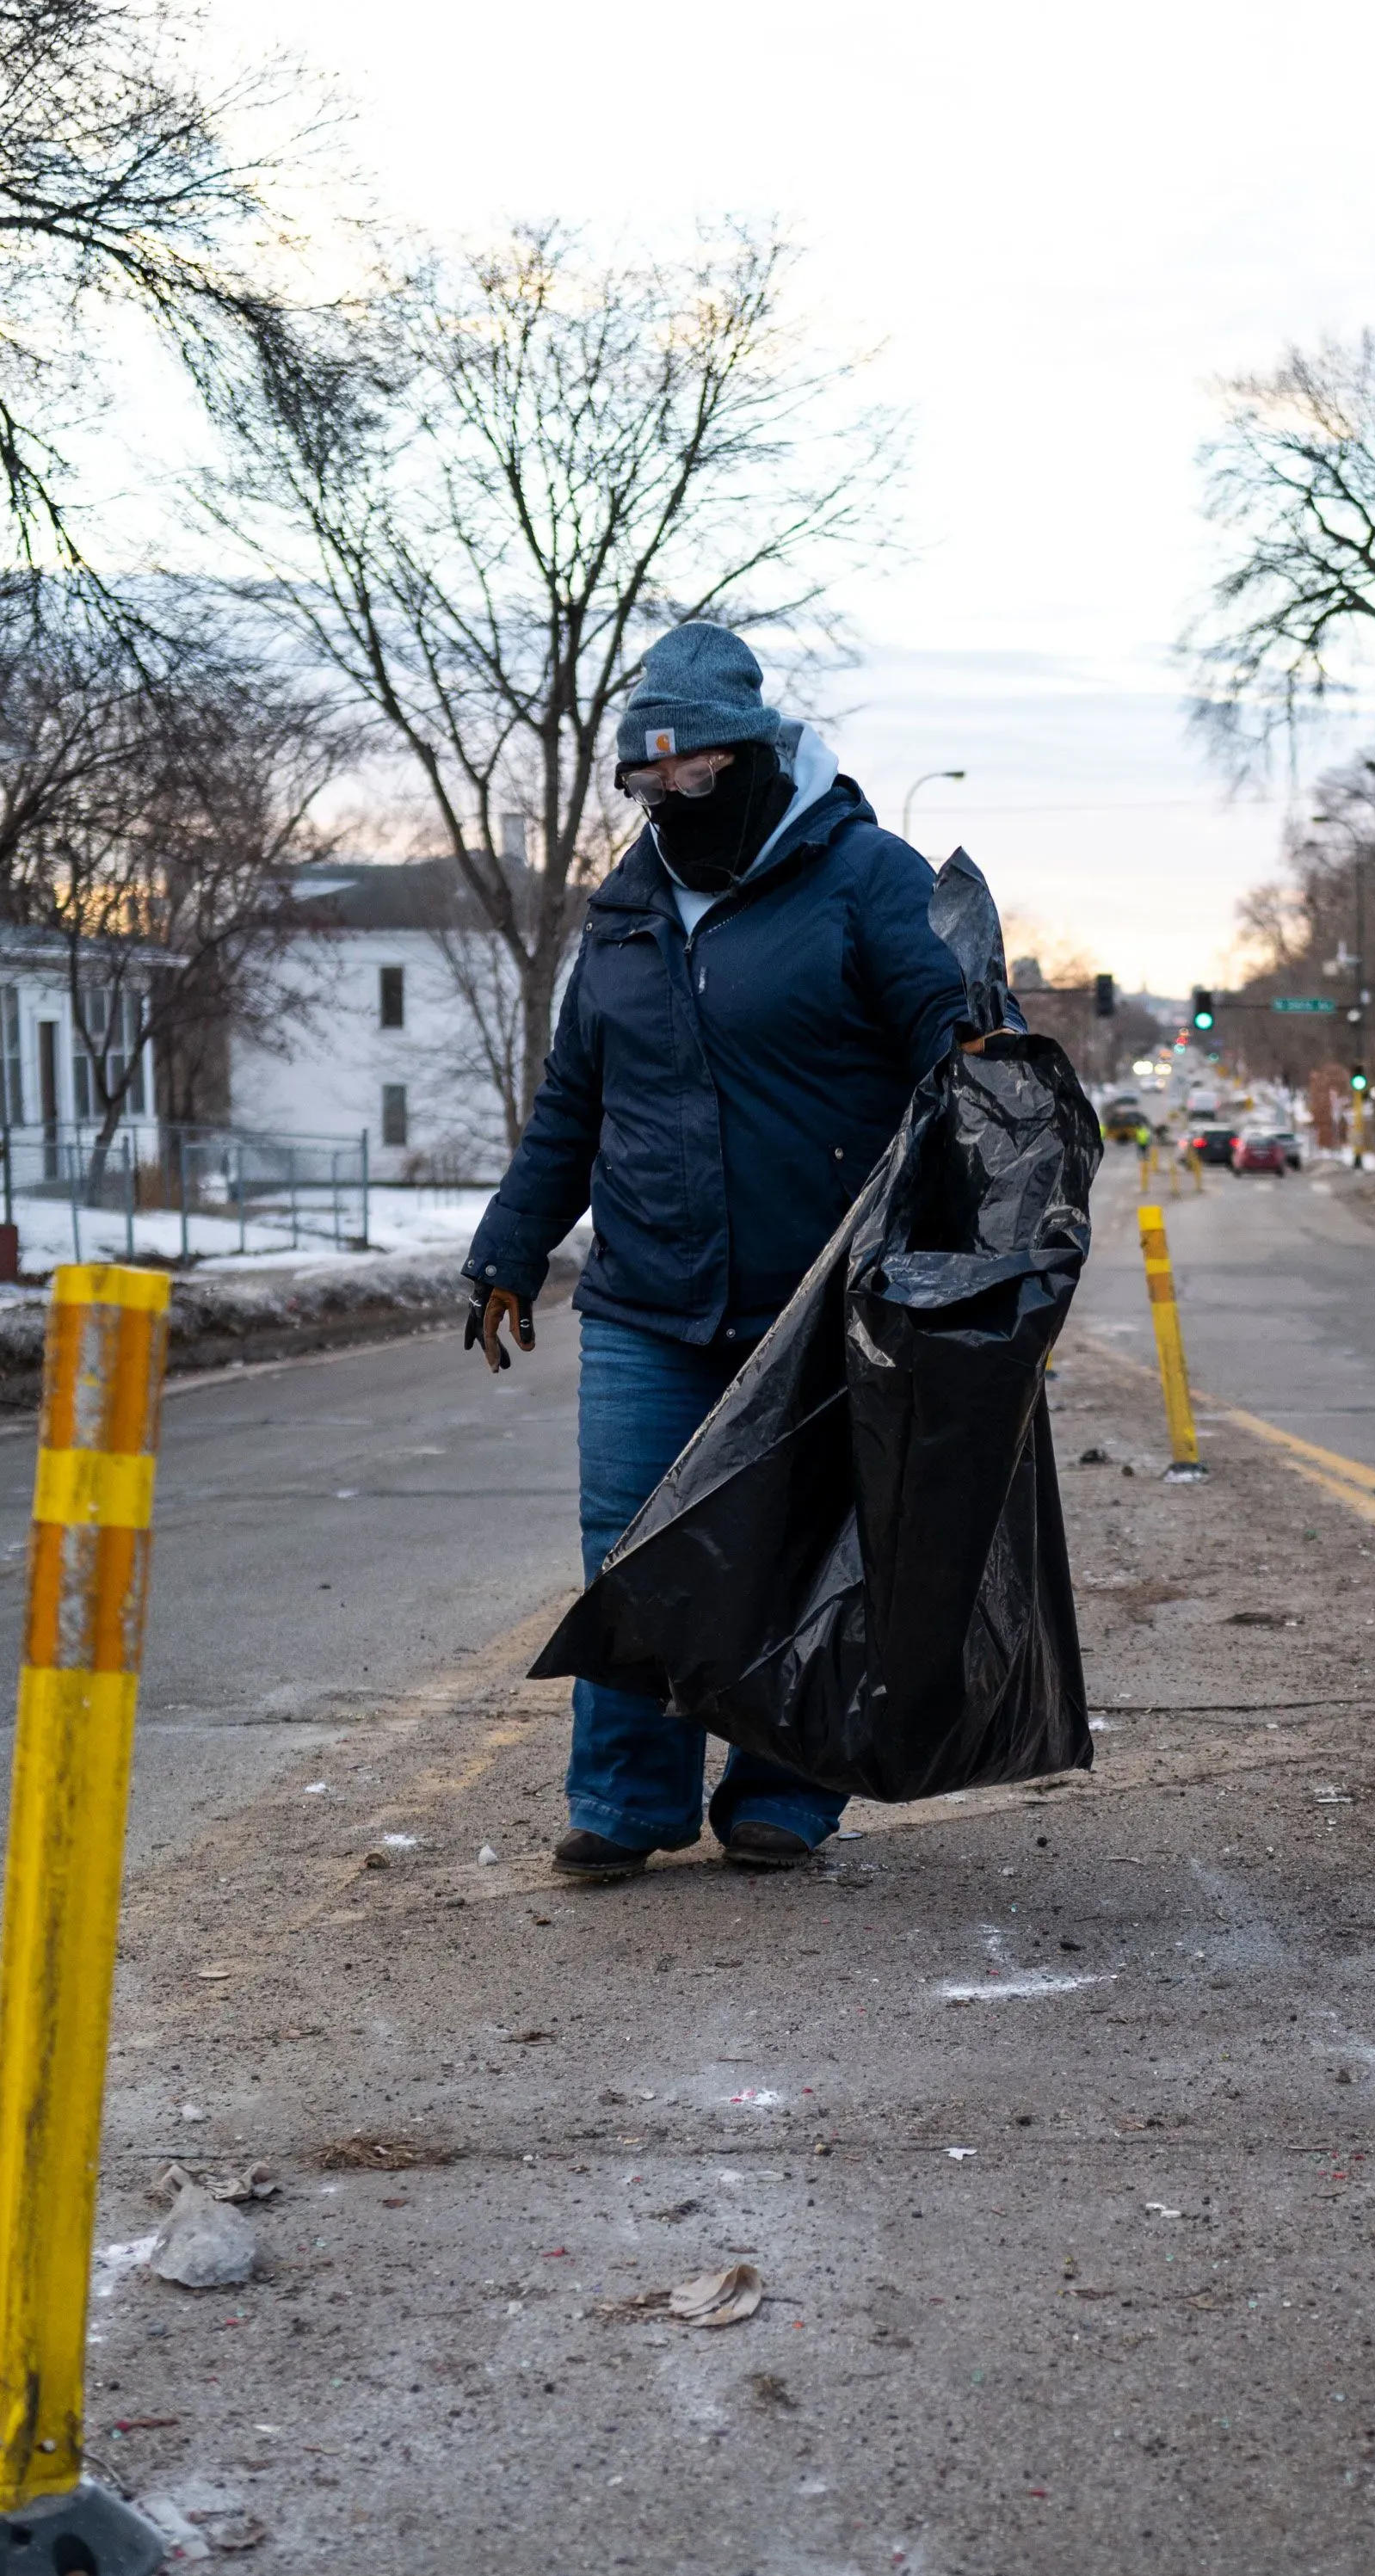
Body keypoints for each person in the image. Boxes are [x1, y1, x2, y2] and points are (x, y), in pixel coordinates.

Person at [465, 620, 968, 1879]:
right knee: (631, 1546)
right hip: (647, 1301)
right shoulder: (626, 914)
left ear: (751, 755)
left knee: (799, 1551)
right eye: (649, 779)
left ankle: (783, 1790)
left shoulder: (865, 878)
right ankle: (629, 1800)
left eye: (695, 774)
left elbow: (957, 1058)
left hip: (818, 1305)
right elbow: (574, 1104)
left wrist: (958, 1254)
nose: (672, 796)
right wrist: (509, 1250)